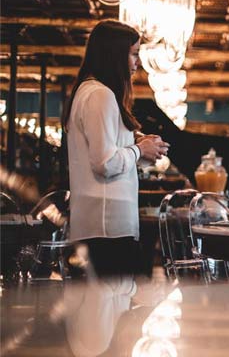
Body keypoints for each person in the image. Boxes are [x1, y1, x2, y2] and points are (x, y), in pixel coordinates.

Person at [63, 20, 169, 277]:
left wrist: (142, 147)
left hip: (98, 225)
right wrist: (138, 151)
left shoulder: (89, 92)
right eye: (133, 54)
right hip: (107, 228)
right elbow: (105, 163)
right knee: (111, 312)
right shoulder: (101, 95)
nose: (138, 62)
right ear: (115, 55)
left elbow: (105, 155)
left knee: (102, 312)